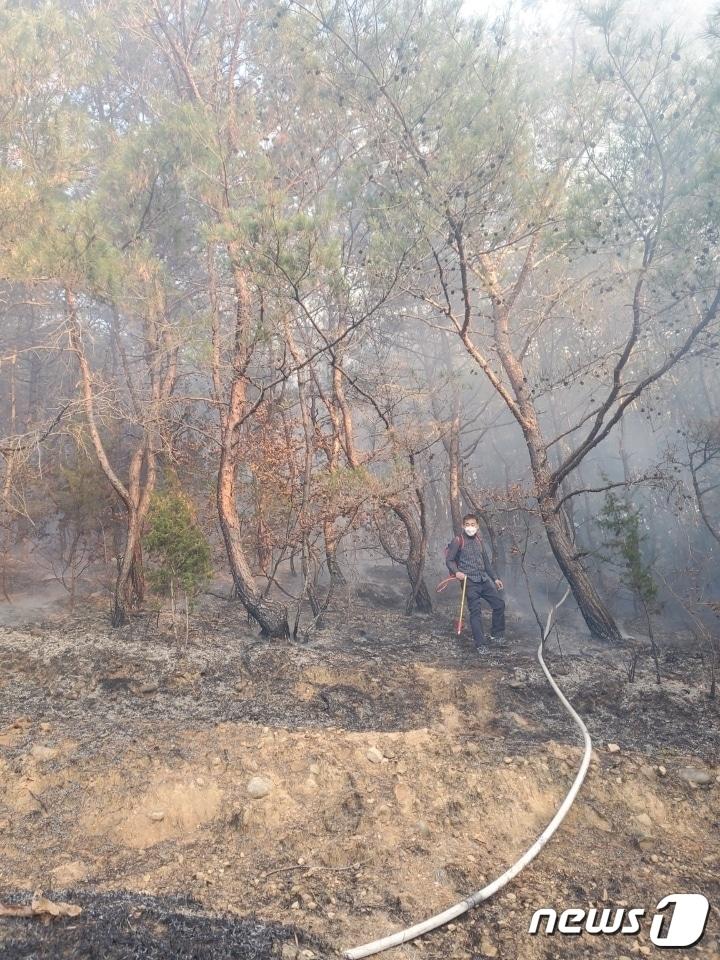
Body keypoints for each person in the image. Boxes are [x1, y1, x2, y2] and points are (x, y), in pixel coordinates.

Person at [446, 513, 506, 655]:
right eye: (467, 524)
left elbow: (486, 562)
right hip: (469, 581)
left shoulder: (480, 540)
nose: (470, 527)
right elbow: (449, 560)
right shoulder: (457, 540)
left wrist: (495, 578)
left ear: (477, 526)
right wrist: (456, 572)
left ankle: (496, 634)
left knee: (499, 605)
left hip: (484, 580)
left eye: (473, 525)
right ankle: (481, 644)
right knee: (476, 612)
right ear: (463, 525)